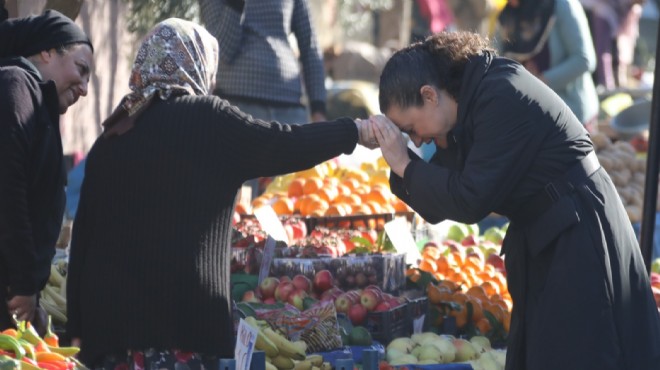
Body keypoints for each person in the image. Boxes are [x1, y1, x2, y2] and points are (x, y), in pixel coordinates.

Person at [65, 18, 376, 368]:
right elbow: (284, 142)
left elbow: (83, 239)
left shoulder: (112, 135)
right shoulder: (208, 120)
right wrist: (353, 132)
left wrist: (75, 329)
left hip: (108, 336)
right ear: (198, 62)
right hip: (180, 331)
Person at [370, 31, 660, 370]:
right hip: (551, 233)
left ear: (429, 95)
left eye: (411, 128)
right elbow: (440, 203)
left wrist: (405, 163)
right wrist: (400, 164)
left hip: (580, 233)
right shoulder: (469, 103)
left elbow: (468, 200)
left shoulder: (499, 93)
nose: (416, 138)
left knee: (585, 354)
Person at [0, 9, 93, 331]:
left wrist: (33, 294)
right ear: (47, 51)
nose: (83, 88)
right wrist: (25, 287)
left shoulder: (35, 99)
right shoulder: (16, 86)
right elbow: (8, 192)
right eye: (81, 70)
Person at [497, 0, 600, 131]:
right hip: (530, 118)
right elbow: (499, 64)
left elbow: (584, 60)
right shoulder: (507, 16)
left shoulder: (562, 4)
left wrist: (538, 83)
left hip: (572, 116)